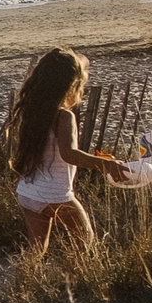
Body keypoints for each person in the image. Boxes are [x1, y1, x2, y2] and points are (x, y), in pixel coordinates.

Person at [10, 47, 126, 252]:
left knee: (36, 250)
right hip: (55, 195)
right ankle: (75, 283)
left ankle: (23, 284)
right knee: (85, 243)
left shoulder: (31, 112)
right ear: (70, 86)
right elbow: (69, 154)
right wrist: (106, 165)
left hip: (29, 192)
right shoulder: (64, 117)